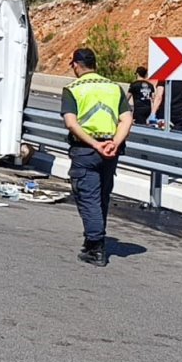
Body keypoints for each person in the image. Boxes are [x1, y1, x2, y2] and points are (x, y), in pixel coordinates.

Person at [61, 48, 133, 267]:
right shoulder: (115, 88)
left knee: (87, 197)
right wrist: (114, 143)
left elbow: (71, 123)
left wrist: (95, 144)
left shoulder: (72, 89)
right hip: (111, 150)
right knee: (101, 196)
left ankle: (96, 247)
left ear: (76, 65)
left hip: (86, 149)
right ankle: (92, 240)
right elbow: (127, 120)